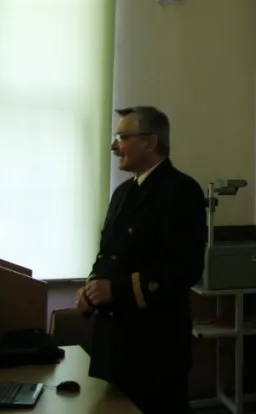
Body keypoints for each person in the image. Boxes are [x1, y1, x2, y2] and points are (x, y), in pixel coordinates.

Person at [77, 106, 207, 413]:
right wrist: (91, 289)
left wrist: (116, 290)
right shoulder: (123, 192)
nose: (114, 146)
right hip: (113, 342)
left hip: (154, 348)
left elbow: (184, 269)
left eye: (122, 137)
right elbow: (108, 254)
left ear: (150, 142)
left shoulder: (181, 190)